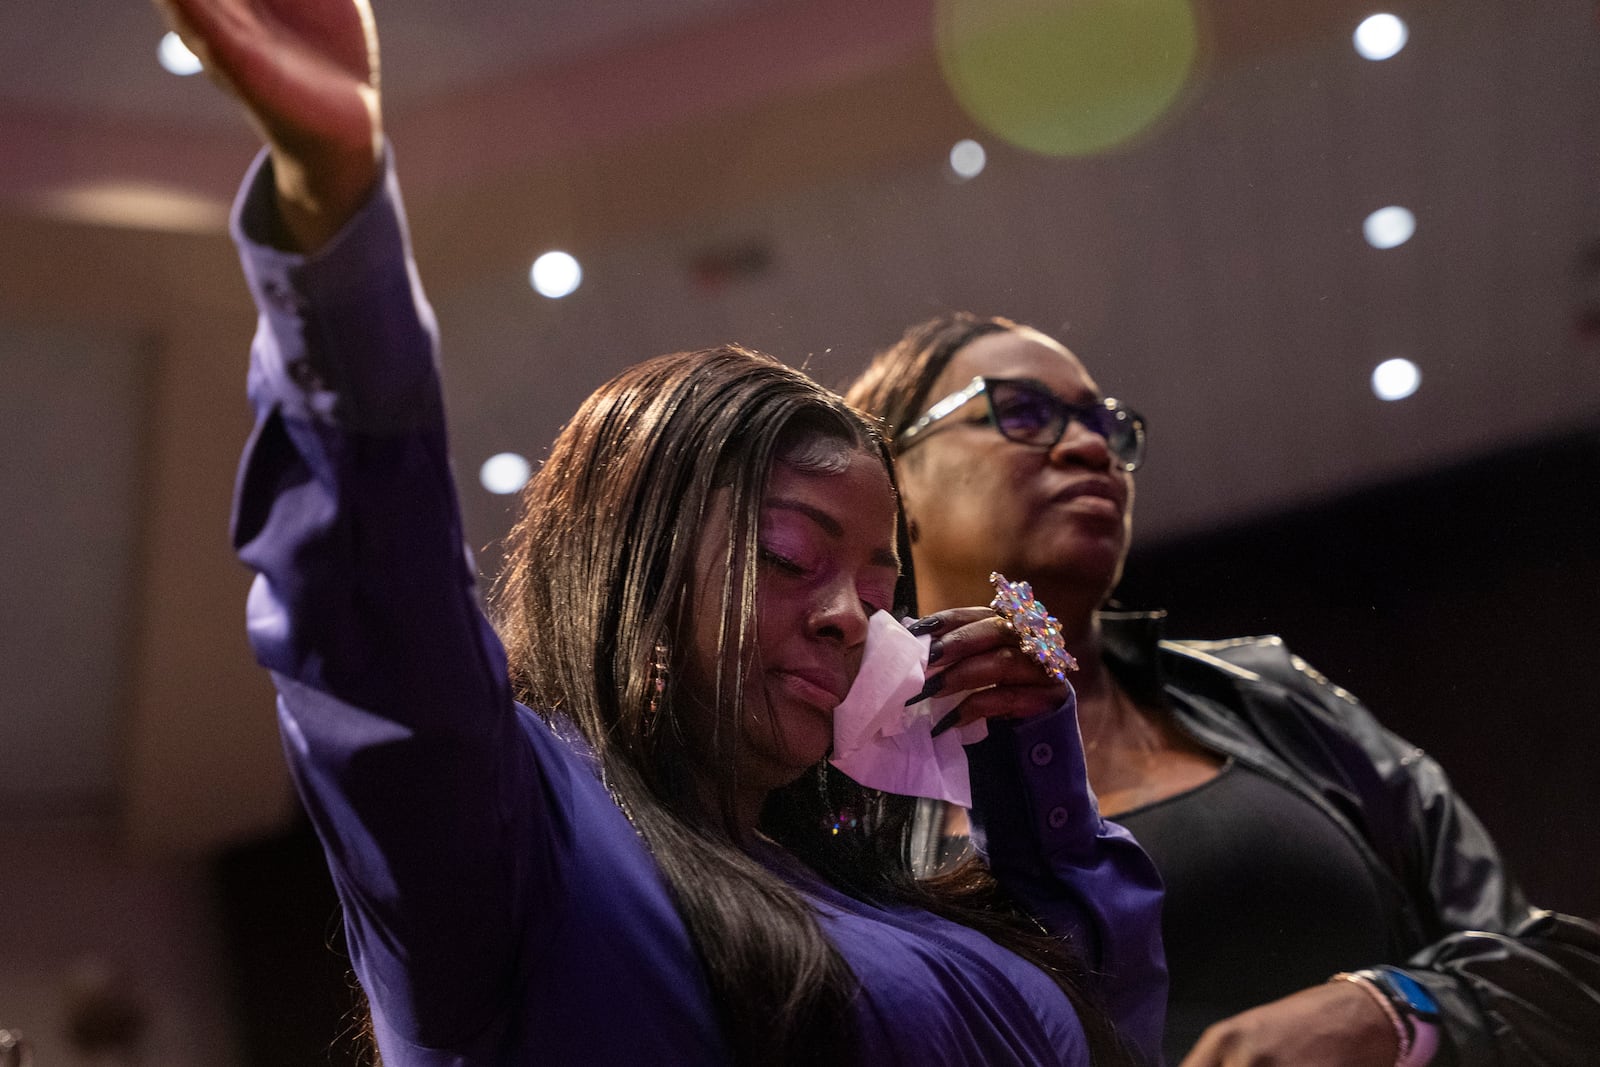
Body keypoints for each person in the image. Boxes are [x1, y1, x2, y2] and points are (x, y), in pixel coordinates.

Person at [153, 2, 1169, 1064]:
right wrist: (333, 207)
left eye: (879, 587)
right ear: (629, 562)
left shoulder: (885, 894)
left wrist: (1030, 763)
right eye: (789, 557)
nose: (847, 619)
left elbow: (1113, 1029)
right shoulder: (524, 846)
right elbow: (375, 607)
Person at [845, 313, 1600, 1067]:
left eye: (1104, 424)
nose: (1089, 446)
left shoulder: (1266, 691)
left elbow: (1560, 976)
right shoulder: (844, 797)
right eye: (1023, 412)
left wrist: (1398, 1012)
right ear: (894, 479)